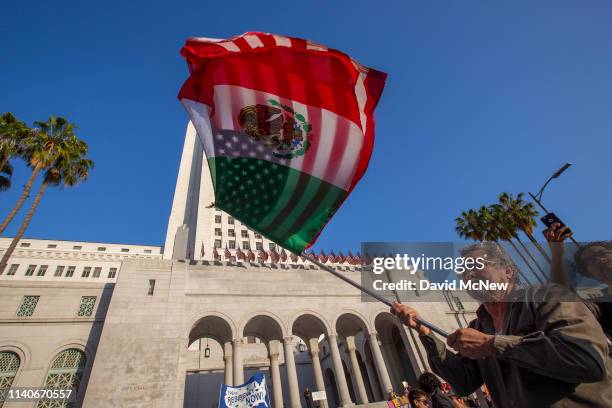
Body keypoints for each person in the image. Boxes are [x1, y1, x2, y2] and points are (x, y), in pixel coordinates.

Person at [391, 242, 612, 408]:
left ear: (508, 271)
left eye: (477, 265)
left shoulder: (547, 297)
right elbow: (464, 381)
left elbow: (586, 358)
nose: (469, 274)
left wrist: (492, 344)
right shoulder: (479, 325)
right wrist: (423, 330)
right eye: (463, 271)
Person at [544, 223, 612, 341]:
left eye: (602, 253)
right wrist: (557, 253)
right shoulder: (601, 305)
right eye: (591, 260)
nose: (600, 259)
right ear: (589, 274)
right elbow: (562, 298)